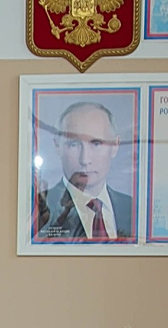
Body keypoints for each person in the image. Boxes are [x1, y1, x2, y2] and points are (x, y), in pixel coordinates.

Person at [32, 99, 135, 242]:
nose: (85, 159)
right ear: (57, 146)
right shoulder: (38, 209)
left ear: (115, 146)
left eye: (96, 143)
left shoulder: (133, 208)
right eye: (74, 144)